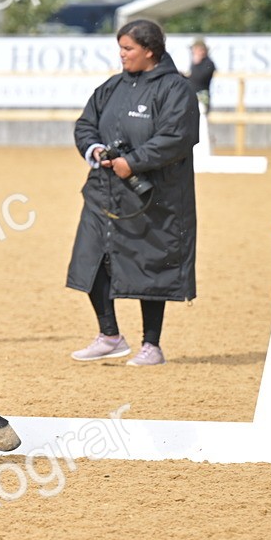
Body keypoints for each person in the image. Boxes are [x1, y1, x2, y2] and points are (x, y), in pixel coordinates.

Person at [66, 19, 200, 366]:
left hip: (154, 196)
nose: (122, 55)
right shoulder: (112, 86)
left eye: (128, 49)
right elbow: (85, 124)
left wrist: (133, 162)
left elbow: (177, 137)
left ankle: (151, 345)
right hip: (102, 192)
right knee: (90, 259)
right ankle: (109, 335)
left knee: (150, 266)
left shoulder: (176, 89)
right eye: (121, 49)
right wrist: (95, 149)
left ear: (150, 51)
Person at [187, 39, 216, 115]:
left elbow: (199, 78)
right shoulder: (194, 63)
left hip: (202, 98)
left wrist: (196, 63)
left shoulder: (208, 64)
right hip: (192, 97)